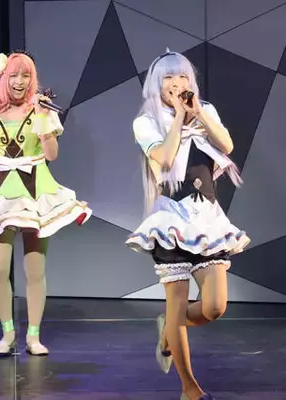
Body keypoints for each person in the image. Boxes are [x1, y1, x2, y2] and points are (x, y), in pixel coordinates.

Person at [0, 51, 92, 356]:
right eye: (13, 75)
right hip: (0, 194)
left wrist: (41, 117)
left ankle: (34, 336)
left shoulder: (43, 110)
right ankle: (7, 333)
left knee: (35, 270)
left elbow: (51, 155)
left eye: (26, 75)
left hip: (37, 192)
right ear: (3, 78)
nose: (19, 81)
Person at [125, 51, 250, 400]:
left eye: (181, 77)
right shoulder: (146, 121)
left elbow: (227, 144)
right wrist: (179, 117)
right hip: (171, 219)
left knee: (214, 307)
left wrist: (198, 113)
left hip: (208, 220)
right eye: (168, 77)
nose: (176, 83)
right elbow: (164, 159)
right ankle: (189, 388)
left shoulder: (205, 110)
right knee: (177, 303)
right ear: (157, 84)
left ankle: (168, 326)